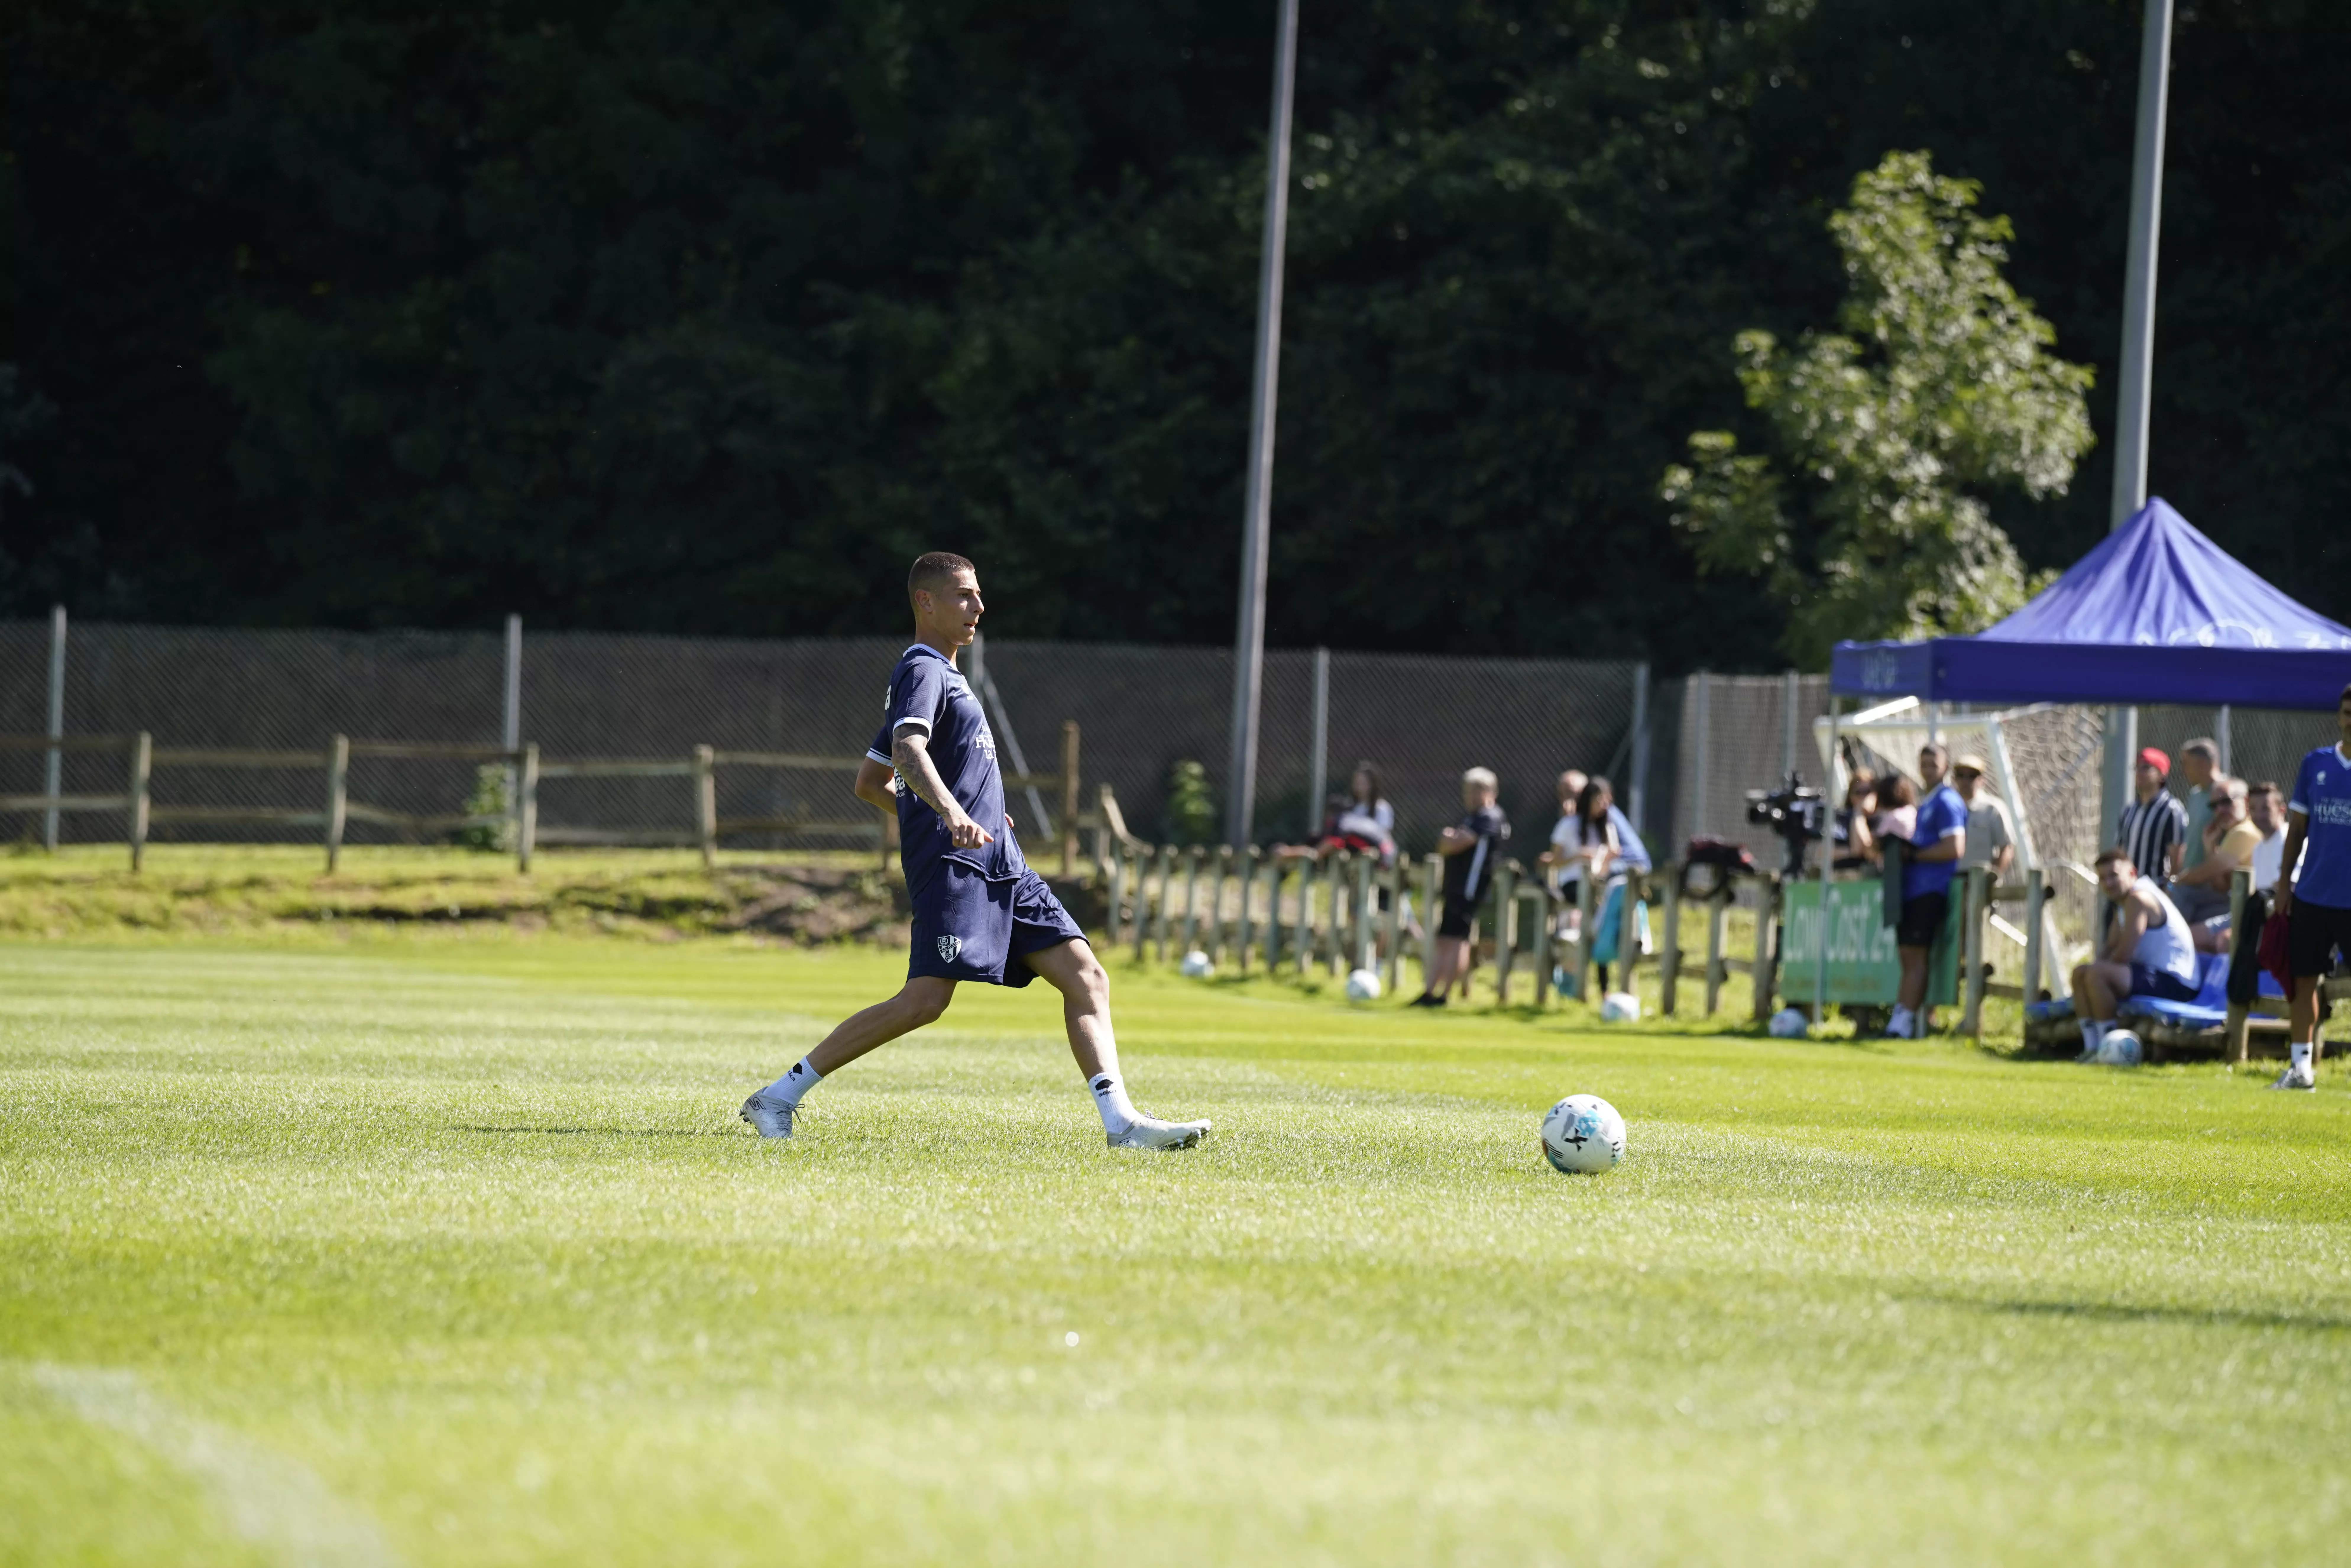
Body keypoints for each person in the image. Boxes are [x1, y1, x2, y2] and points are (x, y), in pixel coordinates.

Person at [740, 553, 1211, 1149]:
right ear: (925, 603)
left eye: (979, 595)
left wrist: (978, 815)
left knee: (1087, 976)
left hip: (1004, 864)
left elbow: (869, 781)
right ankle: (778, 1096)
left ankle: (1122, 1125)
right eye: (963, 595)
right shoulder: (922, 670)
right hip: (956, 867)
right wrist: (953, 814)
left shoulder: (949, 677)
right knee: (925, 1001)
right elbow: (909, 753)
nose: (978, 607)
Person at [2268, 683, 2351, 1091]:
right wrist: (2285, 885)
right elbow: (2297, 829)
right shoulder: (2315, 764)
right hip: (2314, 896)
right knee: (2302, 982)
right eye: (2348, 712)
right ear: (2340, 717)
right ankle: (2301, 1069)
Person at [2069, 846, 2202, 1062]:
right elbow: (2109, 949)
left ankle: (2106, 1049)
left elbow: (2123, 954)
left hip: (2177, 984)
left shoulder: (2138, 899)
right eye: (2103, 878)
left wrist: (2096, 974)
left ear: (2132, 873)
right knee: (2080, 973)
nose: (2108, 883)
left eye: (2114, 876)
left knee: (2097, 975)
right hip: (2154, 976)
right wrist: (2086, 976)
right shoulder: (2122, 904)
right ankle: (2090, 1050)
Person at [1411, 767, 1508, 1007]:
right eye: (1468, 792)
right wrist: (1449, 840)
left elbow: (1455, 844)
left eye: (1477, 791)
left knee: (1455, 940)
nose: (1471, 797)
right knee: (1447, 939)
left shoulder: (1490, 817)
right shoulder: (1472, 819)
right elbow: (1445, 846)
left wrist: (1450, 839)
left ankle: (1443, 995)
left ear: (1490, 792)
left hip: (1469, 889)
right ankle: (1431, 992)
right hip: (1456, 887)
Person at [1889, 745, 1965, 1040]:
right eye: (1924, 764)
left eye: (1934, 764)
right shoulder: (1927, 802)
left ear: (1945, 768)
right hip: (1912, 890)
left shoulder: (1946, 801)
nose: (1928, 769)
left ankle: (1903, 1023)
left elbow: (1954, 847)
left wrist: (1915, 856)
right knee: (1907, 957)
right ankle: (1902, 1018)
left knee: (1915, 956)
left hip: (1930, 890)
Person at [2168, 777, 2256, 924]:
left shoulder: (2244, 831)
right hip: (2238, 903)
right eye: (2214, 806)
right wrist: (2210, 847)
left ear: (2246, 801)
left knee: (2183, 892)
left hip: (2251, 909)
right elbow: (2220, 886)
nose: (2220, 810)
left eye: (2226, 802)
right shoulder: (2234, 832)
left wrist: (2175, 881)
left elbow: (2201, 876)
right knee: (2192, 914)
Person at [2117, 746, 2189, 882]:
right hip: (2130, 888)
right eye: (2137, 768)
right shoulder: (2129, 810)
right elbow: (2121, 851)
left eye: (2146, 768)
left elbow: (2178, 856)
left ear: (2162, 775)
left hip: (2156, 889)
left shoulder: (2172, 810)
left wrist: (2170, 889)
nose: (2139, 772)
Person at [1951, 754, 2015, 882]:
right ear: (1954, 779)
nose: (1966, 780)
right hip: (1950, 880)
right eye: (1961, 775)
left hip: (1981, 880)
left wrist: (1992, 879)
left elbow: (2007, 848)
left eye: (1972, 776)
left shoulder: (1993, 808)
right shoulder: (1948, 808)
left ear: (1983, 780)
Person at [2177, 737, 2223, 871]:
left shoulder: (2225, 796)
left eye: (2187, 764)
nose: (2183, 771)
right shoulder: (2195, 794)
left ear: (2202, 764)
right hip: (2190, 877)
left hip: (2212, 881)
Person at [1833, 772, 1879, 871]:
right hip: (1842, 876)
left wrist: (1859, 815)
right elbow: (1822, 852)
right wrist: (1850, 852)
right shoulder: (1843, 818)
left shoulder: (1881, 819)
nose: (1863, 797)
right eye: (1858, 792)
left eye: (1867, 791)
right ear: (1851, 796)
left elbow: (1867, 849)